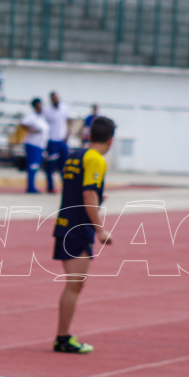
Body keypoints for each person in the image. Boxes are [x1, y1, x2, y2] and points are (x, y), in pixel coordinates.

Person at [51, 116, 116, 354]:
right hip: (79, 227)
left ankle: (63, 335)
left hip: (65, 223)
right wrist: (100, 229)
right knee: (74, 285)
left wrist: (99, 195)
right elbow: (88, 194)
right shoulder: (96, 160)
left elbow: (79, 189)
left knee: (73, 285)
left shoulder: (74, 156)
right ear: (111, 140)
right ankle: (63, 337)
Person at [41, 91, 73, 194]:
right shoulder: (47, 110)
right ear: (51, 99)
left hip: (62, 141)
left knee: (64, 165)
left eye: (57, 97)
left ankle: (66, 187)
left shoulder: (64, 108)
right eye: (53, 98)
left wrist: (68, 134)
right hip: (52, 140)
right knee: (50, 165)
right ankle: (50, 187)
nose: (56, 99)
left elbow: (69, 120)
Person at [19, 98, 49, 194]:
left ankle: (32, 186)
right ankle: (31, 187)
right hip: (33, 144)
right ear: (35, 107)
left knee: (36, 166)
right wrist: (32, 130)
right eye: (38, 106)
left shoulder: (41, 117)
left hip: (40, 145)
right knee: (32, 166)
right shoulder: (31, 116)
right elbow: (23, 123)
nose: (40, 108)